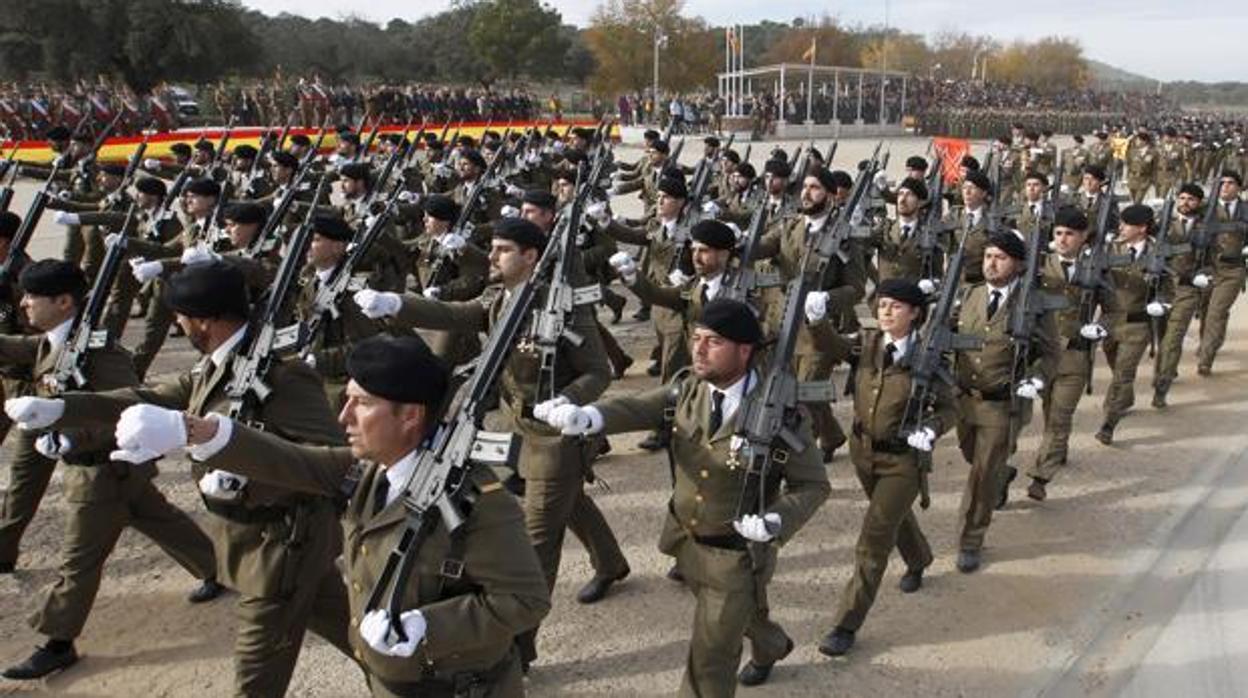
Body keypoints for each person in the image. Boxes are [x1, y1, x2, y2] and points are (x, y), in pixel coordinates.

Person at [110, 334, 551, 697]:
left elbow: (526, 599)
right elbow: (294, 461)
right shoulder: (376, 470)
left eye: (361, 403)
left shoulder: (477, 501)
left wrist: (425, 626)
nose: (344, 415)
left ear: (410, 416)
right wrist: (195, 431)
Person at [5, 261, 354, 696]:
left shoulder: (283, 375)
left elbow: (339, 464)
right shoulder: (222, 362)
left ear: (204, 320)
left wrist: (249, 479)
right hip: (262, 542)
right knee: (351, 630)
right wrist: (64, 409)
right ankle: (424, 682)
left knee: (254, 676)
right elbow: (151, 396)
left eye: (181, 316)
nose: (176, 323)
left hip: (283, 545)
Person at [539, 299, 830, 695]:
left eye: (713, 341)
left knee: (710, 659)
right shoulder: (686, 388)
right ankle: (771, 644)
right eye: (696, 338)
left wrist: (777, 520)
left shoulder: (781, 414)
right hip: (687, 542)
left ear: (745, 350)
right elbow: (639, 406)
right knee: (734, 615)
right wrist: (590, 417)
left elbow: (813, 485)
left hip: (736, 554)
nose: (698, 348)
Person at [0, 260, 220, 681]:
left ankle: (57, 641)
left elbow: (129, 409)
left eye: (32, 296)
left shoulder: (102, 353)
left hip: (103, 472)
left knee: (77, 561)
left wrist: (71, 439)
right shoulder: (55, 339)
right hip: (114, 476)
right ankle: (219, 567)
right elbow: (19, 349)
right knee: (161, 520)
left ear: (64, 302)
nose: (23, 303)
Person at [805, 278, 953, 658]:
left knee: (873, 538)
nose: (886, 312)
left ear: (915, 313)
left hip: (903, 459)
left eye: (896, 306)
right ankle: (919, 558)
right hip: (862, 451)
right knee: (891, 517)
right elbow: (831, 346)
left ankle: (845, 623)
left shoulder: (929, 358)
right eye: (882, 304)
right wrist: (817, 321)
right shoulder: (868, 344)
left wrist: (931, 429)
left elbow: (953, 408)